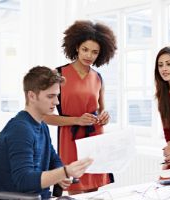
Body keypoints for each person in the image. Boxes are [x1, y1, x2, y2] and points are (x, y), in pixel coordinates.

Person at [42, 20, 117, 194]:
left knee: (95, 190)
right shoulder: (57, 74)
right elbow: (45, 117)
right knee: (75, 190)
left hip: (95, 139)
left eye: (94, 52)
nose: (89, 55)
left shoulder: (98, 78)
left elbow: (100, 111)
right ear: (76, 47)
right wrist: (77, 120)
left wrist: (104, 117)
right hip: (70, 139)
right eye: (85, 49)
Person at [0, 66, 94, 199]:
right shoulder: (20, 129)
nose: (56, 102)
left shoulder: (41, 125)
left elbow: (53, 159)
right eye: (50, 96)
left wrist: (62, 174)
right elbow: (23, 181)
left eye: (57, 96)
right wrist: (64, 172)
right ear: (31, 96)